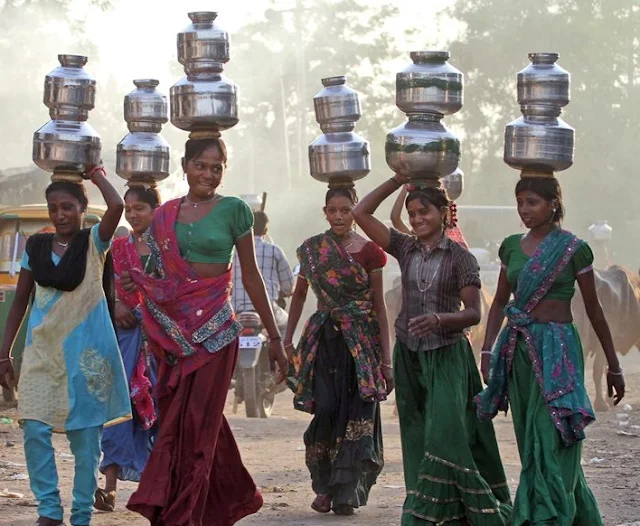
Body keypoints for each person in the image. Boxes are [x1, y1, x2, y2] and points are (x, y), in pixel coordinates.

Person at [123, 135, 288, 526]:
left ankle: (184, 516)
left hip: (217, 334)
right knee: (180, 423)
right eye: (201, 165)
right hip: (173, 337)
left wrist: (276, 336)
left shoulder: (235, 211)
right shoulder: (164, 215)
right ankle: (223, 499)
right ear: (185, 165)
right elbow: (160, 273)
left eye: (217, 167)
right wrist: (139, 283)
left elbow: (250, 274)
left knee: (198, 422)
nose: (209, 174)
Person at [352, 174, 512, 525]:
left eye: (423, 211)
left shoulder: (461, 257)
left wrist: (439, 319)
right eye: (411, 214)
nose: (416, 219)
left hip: (447, 355)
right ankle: (430, 509)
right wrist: (398, 180)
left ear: (443, 212)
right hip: (409, 354)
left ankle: (457, 512)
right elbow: (361, 213)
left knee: (446, 435)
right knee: (415, 435)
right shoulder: (405, 247)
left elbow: (474, 312)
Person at [476, 176, 625, 526]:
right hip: (519, 352)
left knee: (554, 434)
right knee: (531, 440)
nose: (524, 210)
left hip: (559, 351)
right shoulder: (510, 247)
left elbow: (594, 310)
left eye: (532, 202)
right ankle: (563, 512)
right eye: (520, 202)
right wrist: (486, 351)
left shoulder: (575, 248)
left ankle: (544, 518)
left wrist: (614, 365)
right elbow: (499, 302)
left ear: (553, 204)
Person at [0, 165, 130, 526]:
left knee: (85, 443)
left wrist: (96, 173)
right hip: (43, 353)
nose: (60, 214)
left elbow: (117, 206)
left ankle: (82, 514)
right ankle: (48, 509)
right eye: (54, 207)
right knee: (35, 429)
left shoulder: (94, 243)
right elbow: (22, 300)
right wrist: (4, 352)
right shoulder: (37, 247)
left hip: (87, 357)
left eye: (68, 207)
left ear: (81, 210)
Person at [283, 186, 393, 517]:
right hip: (326, 342)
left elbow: (380, 306)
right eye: (332, 210)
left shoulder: (371, 252)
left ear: (355, 210)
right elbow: (299, 296)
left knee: (358, 415)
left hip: (362, 345)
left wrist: (387, 361)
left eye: (345, 210)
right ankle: (326, 485)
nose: (339, 216)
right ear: (325, 212)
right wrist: (287, 339)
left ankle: (343, 494)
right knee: (327, 409)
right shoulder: (312, 250)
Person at [94, 186, 161, 512]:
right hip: (124, 338)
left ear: (155, 210)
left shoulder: (170, 249)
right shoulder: (116, 248)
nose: (133, 214)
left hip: (162, 341)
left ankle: (160, 485)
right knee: (119, 408)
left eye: (141, 208)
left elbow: (179, 289)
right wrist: (117, 303)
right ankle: (108, 488)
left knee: (160, 407)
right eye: (129, 209)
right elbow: (101, 289)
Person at [232, 210, 295, 332]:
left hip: (237, 311)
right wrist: (286, 291)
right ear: (265, 231)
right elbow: (288, 287)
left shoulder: (232, 252)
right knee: (288, 322)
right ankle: (281, 350)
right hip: (268, 311)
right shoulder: (274, 250)